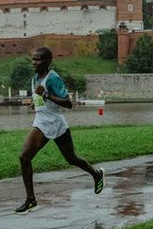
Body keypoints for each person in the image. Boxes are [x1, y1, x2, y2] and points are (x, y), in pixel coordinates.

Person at [15, 47, 104, 214]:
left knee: (72, 159)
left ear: (48, 61)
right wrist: (36, 103)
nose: (34, 62)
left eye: (38, 59)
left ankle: (96, 173)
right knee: (24, 157)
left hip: (56, 123)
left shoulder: (53, 78)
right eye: (33, 59)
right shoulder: (35, 77)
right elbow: (40, 97)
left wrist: (47, 95)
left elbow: (68, 103)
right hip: (41, 122)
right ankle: (31, 200)